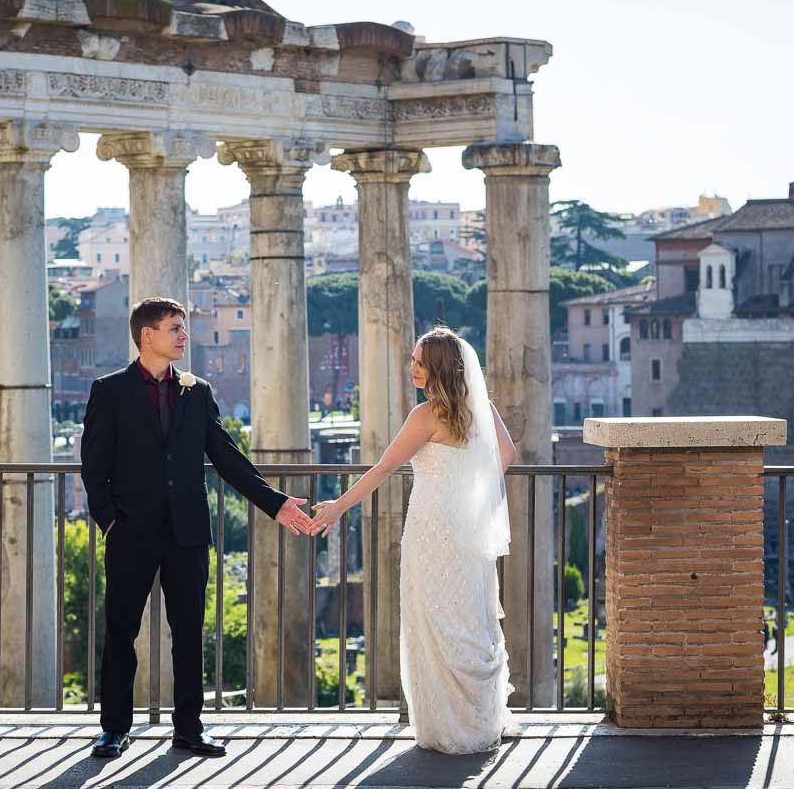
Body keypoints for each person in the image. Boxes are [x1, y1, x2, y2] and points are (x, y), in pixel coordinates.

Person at [81, 297, 314, 759]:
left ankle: (189, 728)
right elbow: (94, 465)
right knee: (120, 631)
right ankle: (113, 728)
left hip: (187, 533)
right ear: (147, 335)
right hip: (130, 531)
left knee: (188, 632)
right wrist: (109, 520)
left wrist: (276, 503)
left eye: (183, 328)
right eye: (174, 328)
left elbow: (227, 457)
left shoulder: (197, 390)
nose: (183, 336)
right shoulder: (108, 390)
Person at [310, 326, 518, 754]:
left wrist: (337, 506)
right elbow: (507, 454)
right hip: (469, 526)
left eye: (418, 362)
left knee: (434, 622)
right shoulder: (483, 408)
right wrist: (474, 495)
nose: (411, 368)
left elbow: (383, 468)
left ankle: (447, 728)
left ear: (437, 368)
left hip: (431, 529)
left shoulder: (424, 417)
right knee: (470, 621)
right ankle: (480, 722)